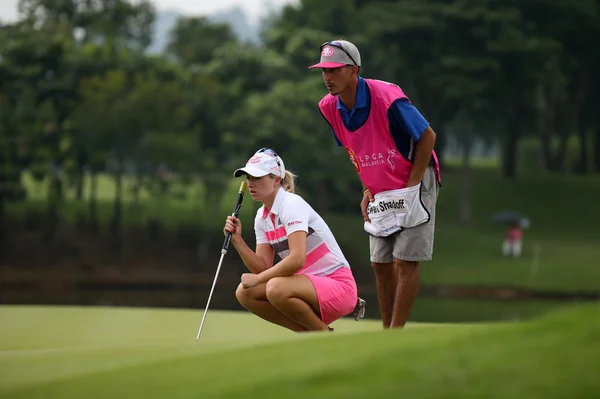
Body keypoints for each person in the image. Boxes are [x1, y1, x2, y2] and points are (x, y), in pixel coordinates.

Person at [309, 40, 442, 329]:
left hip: (415, 178)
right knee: (380, 264)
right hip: (381, 189)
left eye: (334, 70)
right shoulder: (328, 107)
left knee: (405, 261)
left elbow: (427, 137)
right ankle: (385, 331)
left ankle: (395, 334)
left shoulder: (386, 97)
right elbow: (357, 149)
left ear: (354, 70)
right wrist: (368, 188)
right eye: (323, 71)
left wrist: (412, 187)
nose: (327, 77)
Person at [224, 148, 366, 332]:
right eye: (249, 178)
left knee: (275, 287)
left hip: (339, 286)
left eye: (257, 177)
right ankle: (308, 330)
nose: (251, 183)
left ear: (276, 180)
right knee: (244, 293)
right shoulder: (262, 217)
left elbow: (297, 259)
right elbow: (263, 266)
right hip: (305, 285)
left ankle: (322, 333)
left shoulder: (291, 204)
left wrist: (259, 278)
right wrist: (238, 241)